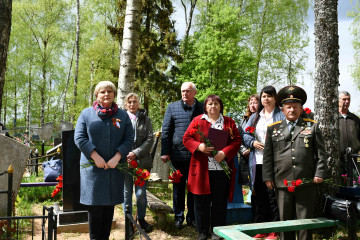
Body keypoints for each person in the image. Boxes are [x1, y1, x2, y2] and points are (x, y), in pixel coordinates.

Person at [262, 85, 326, 240]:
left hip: (305, 181)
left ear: (301, 108)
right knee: (285, 222)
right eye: (288, 107)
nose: (291, 110)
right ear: (282, 110)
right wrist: (268, 177)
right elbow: (268, 155)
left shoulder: (312, 126)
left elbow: (321, 154)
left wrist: (319, 173)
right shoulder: (273, 129)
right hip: (282, 182)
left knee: (305, 222)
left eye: (295, 107)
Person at [74, 81, 134, 240]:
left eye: (109, 91)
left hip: (113, 170)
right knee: (95, 210)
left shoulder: (122, 115)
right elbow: (79, 138)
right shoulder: (86, 114)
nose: (106, 94)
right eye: (102, 92)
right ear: (96, 95)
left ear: (114, 94)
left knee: (108, 209)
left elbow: (129, 138)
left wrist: (117, 157)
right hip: (93, 170)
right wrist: (95, 156)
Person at [183, 95, 241, 240]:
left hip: (221, 169)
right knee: (201, 202)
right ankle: (202, 231)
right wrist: (199, 146)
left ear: (220, 106)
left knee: (219, 202)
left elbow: (237, 140)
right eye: (210, 104)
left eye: (216, 104)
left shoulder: (229, 122)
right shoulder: (197, 121)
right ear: (206, 106)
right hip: (202, 169)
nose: (213, 106)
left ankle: (217, 231)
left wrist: (224, 153)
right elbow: (186, 138)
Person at [242, 86, 283, 240]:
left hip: (274, 161)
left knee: (272, 196)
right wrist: (252, 142)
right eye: (264, 96)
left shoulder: (281, 115)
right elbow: (245, 134)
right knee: (259, 196)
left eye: (269, 96)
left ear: (275, 98)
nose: (266, 99)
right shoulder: (255, 117)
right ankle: (261, 228)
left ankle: (274, 230)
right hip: (257, 161)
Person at [161, 82, 204, 229]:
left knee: (194, 188)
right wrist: (165, 152)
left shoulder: (203, 107)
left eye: (187, 91)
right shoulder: (172, 107)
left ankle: (191, 217)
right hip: (177, 154)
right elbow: (166, 131)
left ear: (195, 93)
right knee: (178, 188)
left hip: (197, 155)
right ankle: (178, 217)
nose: (184, 94)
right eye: (182, 91)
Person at [123, 92, 154, 235]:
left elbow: (149, 140)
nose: (132, 104)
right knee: (127, 193)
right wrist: (125, 154)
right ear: (125, 104)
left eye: (134, 101)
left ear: (138, 103)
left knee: (141, 194)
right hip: (125, 162)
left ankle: (141, 219)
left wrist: (136, 153)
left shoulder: (146, 120)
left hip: (141, 162)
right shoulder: (120, 118)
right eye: (129, 102)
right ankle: (129, 222)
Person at [238, 94, 260, 185]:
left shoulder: (262, 118)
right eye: (250, 103)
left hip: (258, 154)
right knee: (248, 184)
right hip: (245, 156)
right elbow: (238, 138)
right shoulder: (244, 120)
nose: (252, 105)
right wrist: (243, 150)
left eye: (255, 103)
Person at [338, 91, 360, 173]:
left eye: (348, 99)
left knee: (353, 184)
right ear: (338, 100)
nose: (347, 102)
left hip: (353, 159)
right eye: (344, 99)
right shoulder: (333, 118)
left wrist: (355, 149)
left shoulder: (355, 119)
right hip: (336, 160)